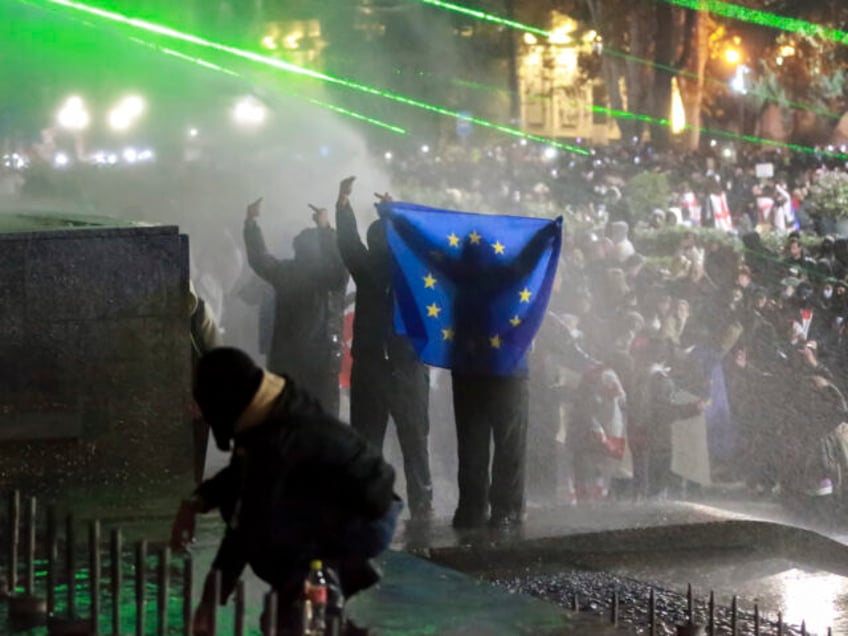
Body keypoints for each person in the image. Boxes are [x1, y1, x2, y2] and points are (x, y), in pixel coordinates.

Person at [170, 348, 400, 635]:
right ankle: (326, 592)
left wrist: (208, 602)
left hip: (365, 518)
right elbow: (240, 473)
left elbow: (245, 529)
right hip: (351, 506)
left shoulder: (279, 441)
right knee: (259, 527)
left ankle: (323, 588)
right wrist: (196, 502)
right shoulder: (275, 406)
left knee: (269, 540)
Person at [335, 177, 433, 523]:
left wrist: (346, 207)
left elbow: (348, 243)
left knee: (388, 443)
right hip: (395, 370)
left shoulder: (405, 273)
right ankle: (417, 506)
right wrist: (390, 212)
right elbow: (350, 244)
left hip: (386, 368)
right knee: (407, 443)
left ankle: (381, 503)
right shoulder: (390, 270)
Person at [243, 197, 349, 416]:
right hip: (322, 364)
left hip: (289, 364)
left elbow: (259, 259)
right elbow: (340, 264)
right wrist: (325, 228)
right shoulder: (330, 278)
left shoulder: (287, 273)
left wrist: (251, 223)